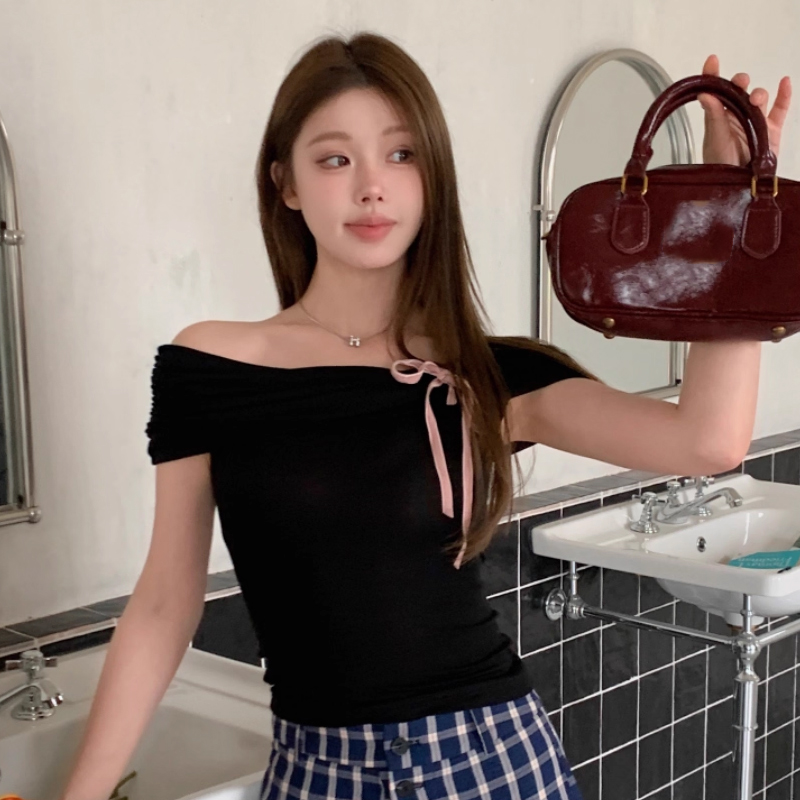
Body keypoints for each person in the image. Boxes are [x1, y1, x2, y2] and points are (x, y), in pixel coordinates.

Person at [59, 33, 791, 800]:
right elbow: (164, 604)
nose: (372, 186)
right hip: (311, 768)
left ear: (432, 176)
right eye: (335, 159)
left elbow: (707, 441)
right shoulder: (209, 367)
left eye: (401, 154)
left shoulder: (490, 375)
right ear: (286, 184)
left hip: (487, 761)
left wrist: (729, 210)